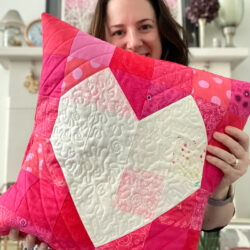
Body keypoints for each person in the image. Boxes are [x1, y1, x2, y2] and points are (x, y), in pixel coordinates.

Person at [8, 0, 250, 249]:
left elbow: (209, 222)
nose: (133, 42)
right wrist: (34, 219)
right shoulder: (75, 102)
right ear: (102, 38)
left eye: (145, 27)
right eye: (119, 32)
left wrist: (223, 183)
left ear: (161, 31)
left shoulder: (192, 109)